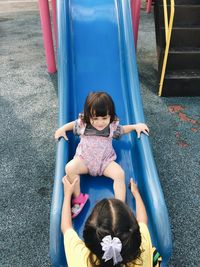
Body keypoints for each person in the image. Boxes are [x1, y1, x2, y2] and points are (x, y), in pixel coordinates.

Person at [55, 92, 149, 218]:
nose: (100, 123)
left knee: (119, 174)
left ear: (110, 116)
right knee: (69, 168)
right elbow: (73, 125)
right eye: (95, 118)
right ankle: (79, 198)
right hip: (84, 160)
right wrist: (62, 129)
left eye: (104, 118)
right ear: (88, 116)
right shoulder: (83, 125)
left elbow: (123, 130)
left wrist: (135, 126)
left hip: (105, 162)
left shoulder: (111, 128)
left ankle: (119, 205)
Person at [61, 176, 162, 267]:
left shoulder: (81, 258)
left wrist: (67, 194)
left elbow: (66, 227)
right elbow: (143, 221)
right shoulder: (143, 245)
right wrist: (136, 193)